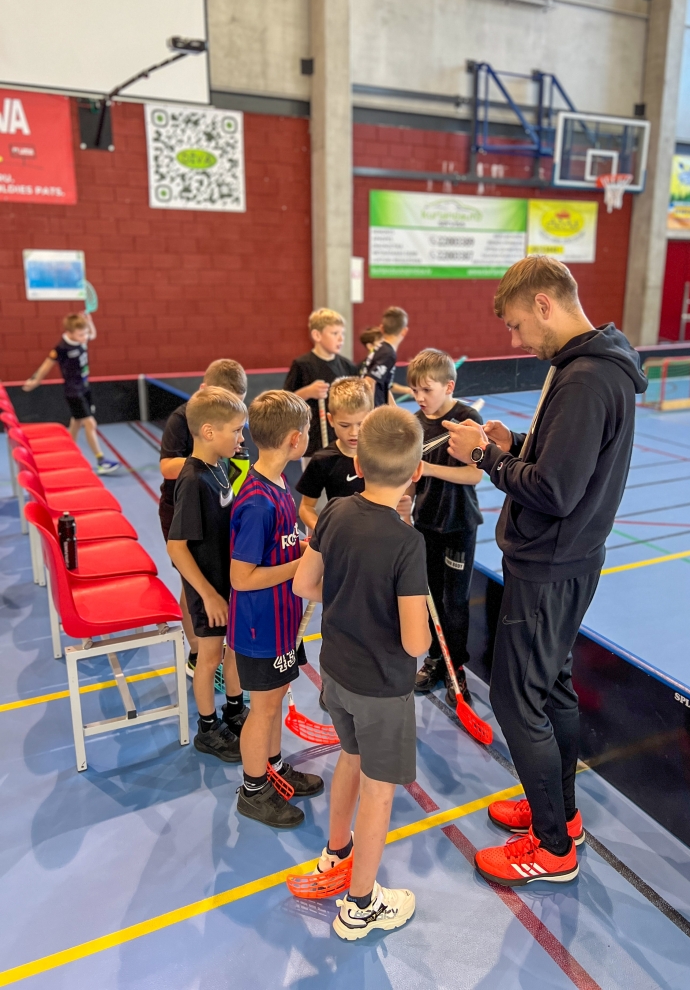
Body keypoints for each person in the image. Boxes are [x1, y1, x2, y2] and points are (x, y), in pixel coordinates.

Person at [444, 255, 647, 887]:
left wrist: (485, 456)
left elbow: (555, 492)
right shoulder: (587, 364)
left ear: (543, 304)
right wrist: (516, 447)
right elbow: (565, 461)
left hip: (551, 564)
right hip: (563, 559)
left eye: (515, 325)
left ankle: (552, 847)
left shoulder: (586, 378)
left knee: (516, 698)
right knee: (551, 689)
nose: (515, 341)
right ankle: (559, 813)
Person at [293, 407, 431, 941]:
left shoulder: (335, 511)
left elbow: (306, 584)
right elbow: (416, 643)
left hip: (337, 674)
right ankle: (361, 905)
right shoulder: (407, 543)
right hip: (381, 687)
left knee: (350, 757)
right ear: (416, 472)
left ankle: (336, 853)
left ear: (356, 462)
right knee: (379, 791)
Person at [229, 390, 324, 828]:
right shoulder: (256, 501)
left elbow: (280, 547)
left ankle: (273, 767)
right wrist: (299, 565)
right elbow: (242, 577)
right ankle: (253, 791)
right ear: (294, 439)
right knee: (263, 708)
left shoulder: (280, 483)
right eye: (307, 432)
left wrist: (304, 547)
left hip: (283, 619)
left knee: (276, 698)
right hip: (260, 627)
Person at [167, 387, 249, 762]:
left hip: (226, 581)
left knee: (233, 650)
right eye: (236, 430)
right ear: (209, 431)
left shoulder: (219, 467)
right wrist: (209, 595)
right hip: (208, 588)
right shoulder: (193, 480)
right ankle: (207, 728)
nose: (241, 438)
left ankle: (234, 709)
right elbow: (177, 547)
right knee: (210, 656)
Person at [159, 359, 248, 676]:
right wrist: (205, 457)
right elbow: (167, 467)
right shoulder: (181, 420)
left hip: (212, 503)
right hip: (180, 506)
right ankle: (197, 651)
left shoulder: (222, 448)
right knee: (193, 584)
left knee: (213, 575)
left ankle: (211, 644)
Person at [408, 349, 483, 706]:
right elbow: (411, 479)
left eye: (427, 390)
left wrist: (429, 468)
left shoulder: (467, 419)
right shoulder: (414, 424)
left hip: (459, 524)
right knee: (431, 599)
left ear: (449, 386)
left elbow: (474, 474)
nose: (419, 397)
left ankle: (457, 668)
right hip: (424, 524)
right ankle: (436, 659)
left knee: (455, 602)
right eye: (414, 390)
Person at [22, 312, 120, 475]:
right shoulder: (62, 348)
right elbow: (46, 365)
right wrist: (35, 381)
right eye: (81, 334)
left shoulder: (82, 339)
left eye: (85, 333)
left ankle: (67, 454)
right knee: (90, 424)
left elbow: (92, 334)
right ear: (69, 333)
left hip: (85, 389)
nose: (85, 337)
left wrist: (89, 322)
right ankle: (101, 461)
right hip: (74, 392)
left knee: (76, 423)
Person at [295, 376, 371, 532]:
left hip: (377, 535)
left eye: (360, 424)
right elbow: (306, 507)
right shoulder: (323, 460)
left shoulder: (382, 453)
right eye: (344, 425)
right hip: (342, 536)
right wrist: (323, 530)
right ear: (331, 420)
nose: (353, 432)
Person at [283, 308, 357, 456]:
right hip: (312, 438)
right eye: (335, 333)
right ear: (317, 335)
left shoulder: (347, 366)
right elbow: (286, 402)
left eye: (342, 333)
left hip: (341, 436)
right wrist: (307, 392)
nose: (341, 339)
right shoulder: (302, 365)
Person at [359, 306, 408, 408]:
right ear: (404, 331)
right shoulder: (388, 354)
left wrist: (394, 408)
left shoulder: (381, 349)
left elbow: (383, 385)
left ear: (381, 328)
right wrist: (370, 410)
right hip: (374, 407)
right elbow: (369, 381)